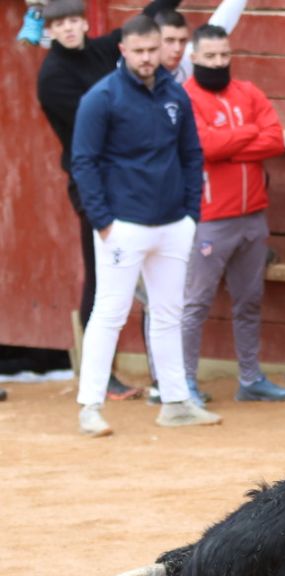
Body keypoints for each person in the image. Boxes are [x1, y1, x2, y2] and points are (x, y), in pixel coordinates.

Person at [70, 13, 219, 435]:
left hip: (173, 223)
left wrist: (191, 215)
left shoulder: (176, 93)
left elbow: (191, 154)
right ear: (123, 51)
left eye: (154, 50)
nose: (148, 58)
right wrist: (102, 221)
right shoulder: (101, 97)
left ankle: (175, 402)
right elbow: (84, 162)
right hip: (123, 225)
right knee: (110, 313)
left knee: (169, 313)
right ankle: (90, 407)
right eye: (139, 51)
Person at [35, 0, 182, 402]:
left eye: (72, 21)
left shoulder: (103, 49)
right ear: (49, 30)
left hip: (132, 183)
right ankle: (101, 375)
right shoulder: (53, 78)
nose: (67, 29)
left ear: (83, 22)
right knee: (101, 280)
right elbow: (99, 135)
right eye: (59, 24)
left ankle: (156, 379)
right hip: (96, 186)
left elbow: (147, 20)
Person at [179, 24, 285, 405]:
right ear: (193, 58)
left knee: (249, 300)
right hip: (211, 218)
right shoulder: (185, 97)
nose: (218, 62)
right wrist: (247, 134)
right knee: (196, 302)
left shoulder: (249, 92)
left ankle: (250, 378)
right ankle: (185, 384)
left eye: (224, 55)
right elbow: (205, 145)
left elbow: (275, 139)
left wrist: (230, 142)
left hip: (253, 215)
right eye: (210, 56)